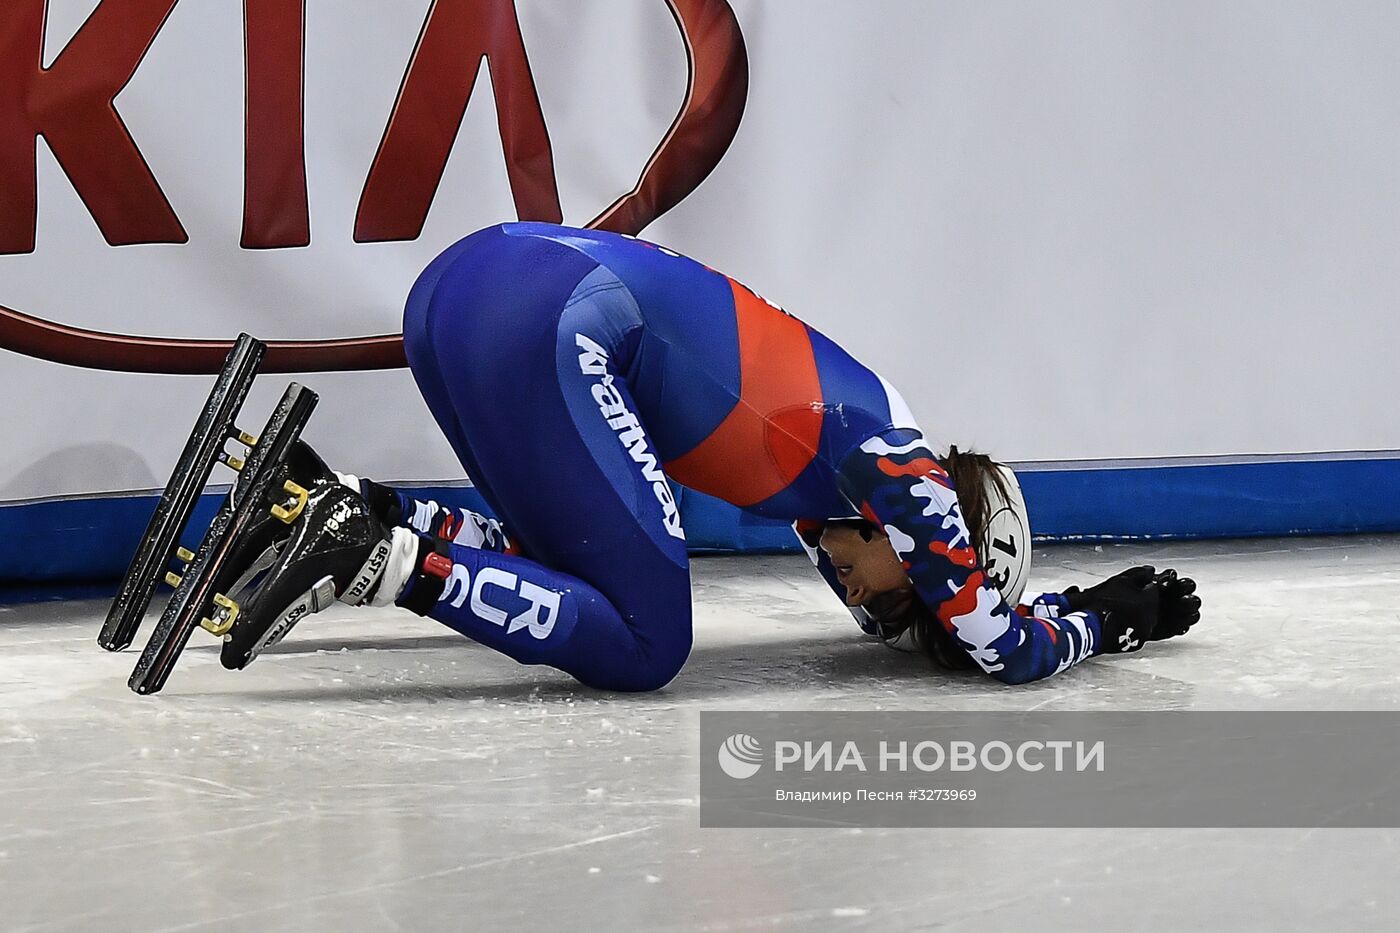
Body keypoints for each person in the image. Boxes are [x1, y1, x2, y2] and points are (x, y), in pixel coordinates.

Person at [220, 222, 1200, 690]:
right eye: (897, 598)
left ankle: (329, 504)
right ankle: (370, 553)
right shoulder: (901, 467)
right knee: (649, 643)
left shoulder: (830, 478)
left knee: (581, 569)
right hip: (548, 311)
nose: (860, 604)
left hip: (467, 285)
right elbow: (998, 645)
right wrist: (1105, 621)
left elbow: (549, 554)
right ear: (957, 534)